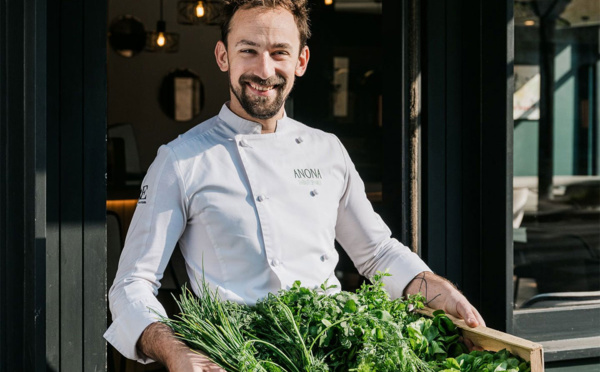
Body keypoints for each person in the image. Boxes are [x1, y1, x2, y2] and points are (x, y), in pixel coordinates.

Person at [104, 0, 485, 371]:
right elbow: (132, 284)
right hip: (238, 359)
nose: (264, 70)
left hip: (335, 355)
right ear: (223, 57)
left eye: (279, 52)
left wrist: (438, 289)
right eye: (248, 50)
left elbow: (377, 253)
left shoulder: (326, 150)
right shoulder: (181, 160)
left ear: (301, 61)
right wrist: (176, 351)